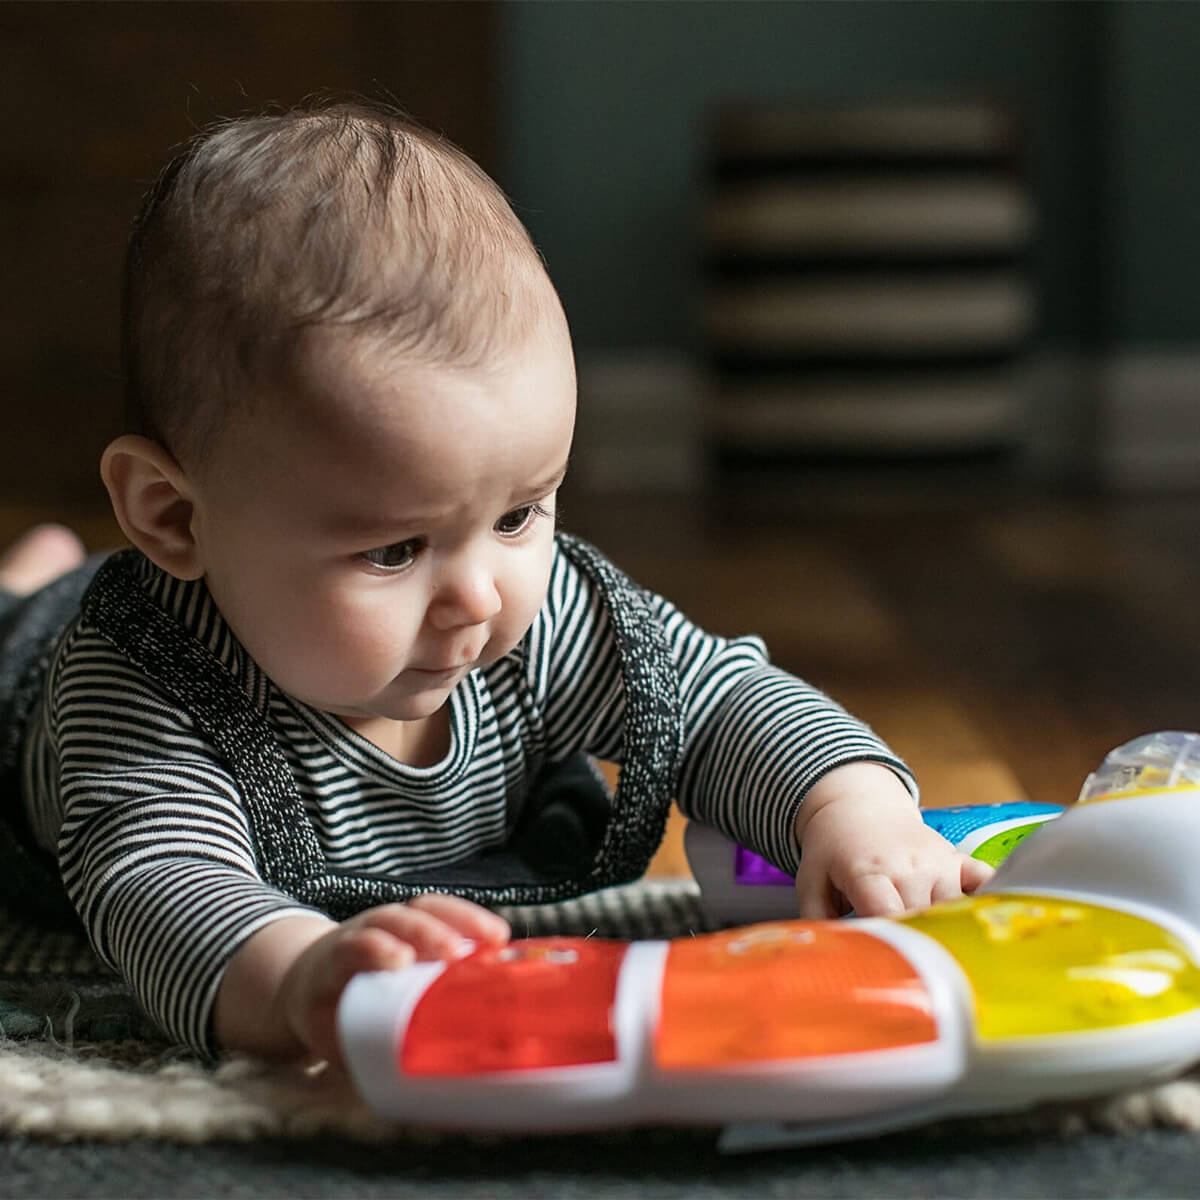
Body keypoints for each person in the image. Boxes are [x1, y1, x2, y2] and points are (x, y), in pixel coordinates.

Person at [0, 101, 991, 1067]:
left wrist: (850, 808)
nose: (478, 596)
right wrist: (304, 979)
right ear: (174, 516)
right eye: (395, 551)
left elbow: (716, 699)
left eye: (518, 515)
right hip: (29, 675)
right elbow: (163, 892)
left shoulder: (534, 612)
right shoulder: (134, 695)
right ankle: (26, 583)